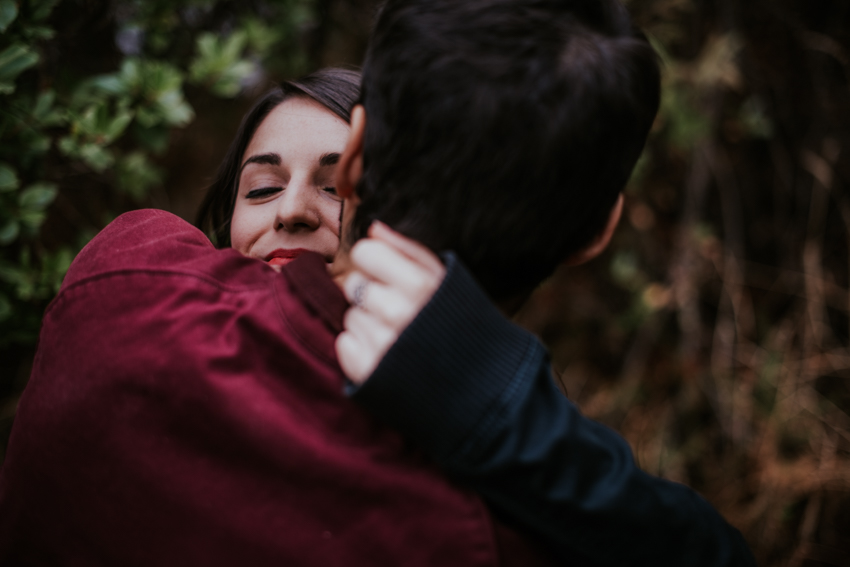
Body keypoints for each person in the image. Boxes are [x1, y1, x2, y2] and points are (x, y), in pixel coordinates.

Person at [0, 2, 755, 567]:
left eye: (326, 182)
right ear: (599, 232)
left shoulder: (120, 282)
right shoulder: (499, 537)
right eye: (260, 189)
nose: (292, 209)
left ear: (355, 158)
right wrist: (518, 418)